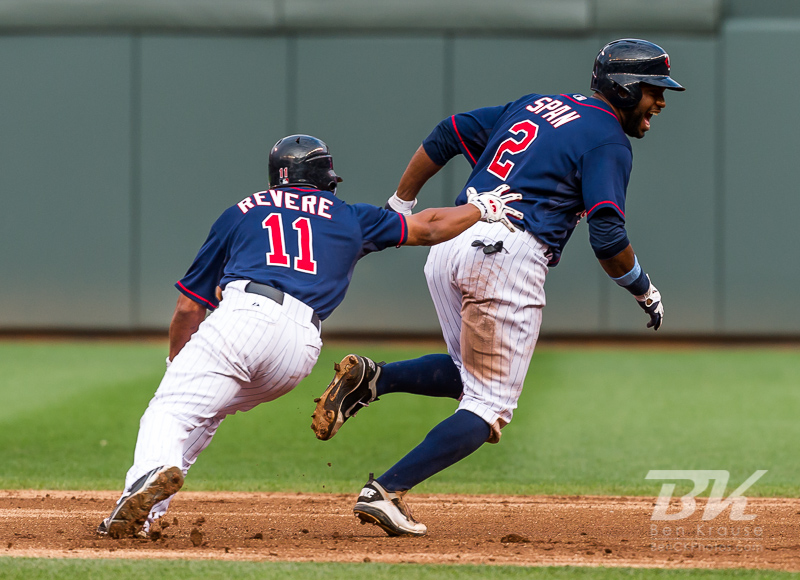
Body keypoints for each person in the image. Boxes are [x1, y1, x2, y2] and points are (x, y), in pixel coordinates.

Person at [310, 39, 684, 537]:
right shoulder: (607, 139)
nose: (660, 101)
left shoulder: (534, 105)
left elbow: (449, 133)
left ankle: (373, 379)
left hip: (450, 243)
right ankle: (388, 491)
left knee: (469, 375)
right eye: (654, 89)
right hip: (506, 254)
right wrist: (643, 288)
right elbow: (608, 237)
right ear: (624, 87)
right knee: (488, 407)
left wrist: (401, 203)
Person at [96, 134, 521, 539]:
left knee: (169, 411)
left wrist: (177, 364)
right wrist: (481, 209)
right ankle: (143, 515)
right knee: (205, 413)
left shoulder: (243, 211)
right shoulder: (352, 216)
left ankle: (151, 479)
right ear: (324, 180)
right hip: (299, 350)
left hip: (245, 317)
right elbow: (429, 226)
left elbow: (189, 307)